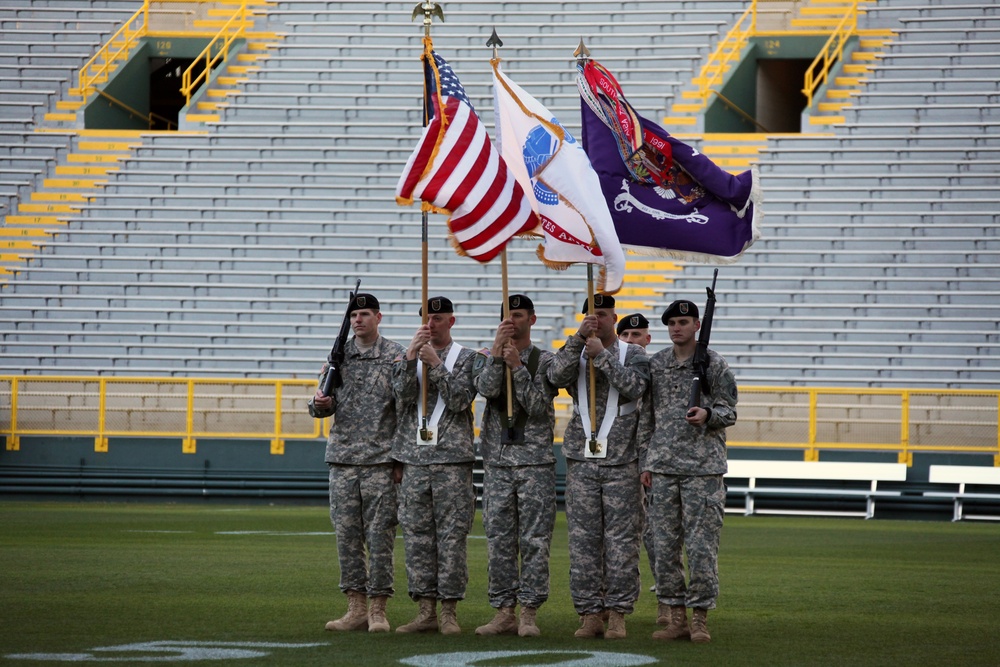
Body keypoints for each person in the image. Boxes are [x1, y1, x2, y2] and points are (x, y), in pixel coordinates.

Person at [547, 294, 650, 640]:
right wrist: (578, 339)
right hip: (582, 458)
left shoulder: (631, 353)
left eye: (603, 315)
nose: (597, 320)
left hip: (622, 458)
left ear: (613, 317)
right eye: (591, 315)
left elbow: (636, 387)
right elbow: (554, 376)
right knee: (583, 541)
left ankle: (618, 612)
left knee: (621, 542)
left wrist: (602, 357)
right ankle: (590, 612)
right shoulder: (573, 347)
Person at [640, 299, 738, 644]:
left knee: (701, 548)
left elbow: (730, 411)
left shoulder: (713, 363)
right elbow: (647, 418)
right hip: (664, 468)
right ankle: (675, 617)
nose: (676, 327)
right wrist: (646, 462)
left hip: (702, 469)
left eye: (683, 321)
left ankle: (699, 618)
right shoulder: (657, 364)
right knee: (664, 547)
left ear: (697, 325)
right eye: (672, 323)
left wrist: (708, 415)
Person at [307, 293, 405, 634]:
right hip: (344, 460)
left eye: (364, 314)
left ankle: (378, 609)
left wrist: (400, 460)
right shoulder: (339, 356)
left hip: (380, 461)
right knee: (347, 536)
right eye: (354, 315)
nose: (358, 320)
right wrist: (320, 402)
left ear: (379, 316)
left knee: (381, 537)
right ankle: (355, 607)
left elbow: (405, 410)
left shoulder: (396, 355)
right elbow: (319, 407)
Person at [391, 296, 478, 635]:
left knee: (452, 538)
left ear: (451, 322)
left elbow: (459, 400)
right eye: (427, 317)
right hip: (415, 460)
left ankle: (449, 611)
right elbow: (400, 396)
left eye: (439, 318)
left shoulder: (468, 359)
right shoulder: (407, 357)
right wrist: (412, 357)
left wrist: (437, 366)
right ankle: (425, 610)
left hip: (451, 461)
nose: (433, 322)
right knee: (416, 537)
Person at [473, 294, 558, 638]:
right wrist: (498, 356)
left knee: (535, 539)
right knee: (499, 539)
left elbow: (538, 405)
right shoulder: (487, 356)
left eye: (519, 315)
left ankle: (529, 612)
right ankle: (504, 610)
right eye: (507, 315)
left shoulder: (545, 360)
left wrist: (518, 369)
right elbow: (487, 390)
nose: (513, 321)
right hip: (497, 462)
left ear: (532, 320)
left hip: (534, 462)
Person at [616, 313, 663, 617]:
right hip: (620, 462)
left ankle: (666, 600)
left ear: (648, 339)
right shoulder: (609, 370)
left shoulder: (660, 370)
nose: (632, 340)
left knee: (660, 537)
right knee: (619, 536)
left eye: (638, 335)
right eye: (626, 336)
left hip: (655, 464)